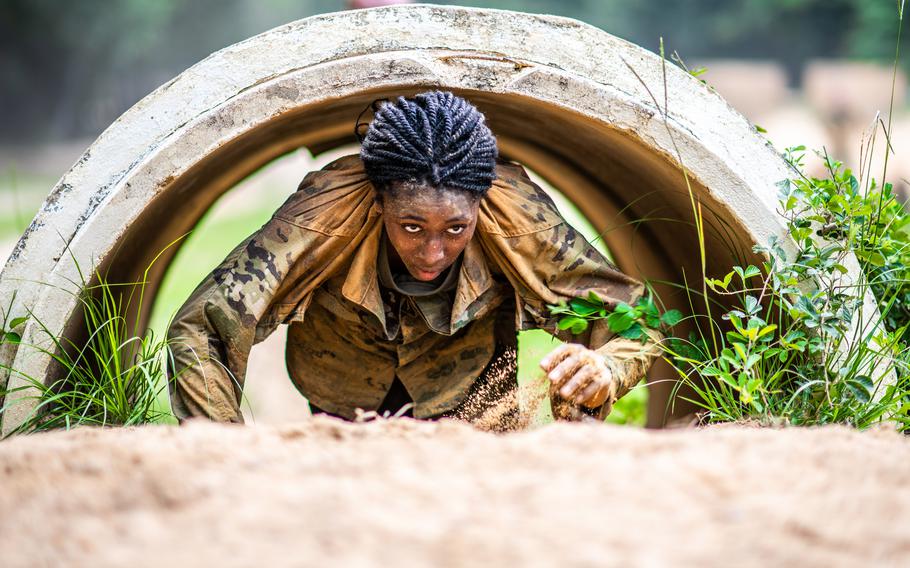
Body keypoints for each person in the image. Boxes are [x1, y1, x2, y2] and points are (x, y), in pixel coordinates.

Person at [166, 91, 661, 426]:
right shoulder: (325, 210)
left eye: (456, 229)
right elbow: (204, 323)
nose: (433, 252)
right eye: (410, 227)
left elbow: (632, 316)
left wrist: (605, 369)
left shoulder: (518, 216)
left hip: (468, 387)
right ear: (379, 202)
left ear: (480, 206)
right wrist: (217, 443)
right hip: (342, 381)